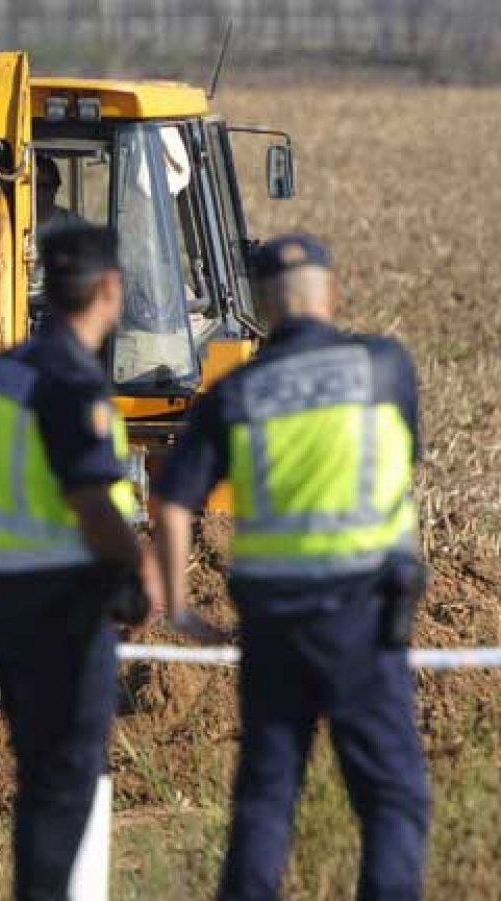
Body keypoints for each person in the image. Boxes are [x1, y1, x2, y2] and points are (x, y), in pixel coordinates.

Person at [154, 234, 429, 900]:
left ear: (261, 306)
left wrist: (182, 610)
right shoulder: (385, 368)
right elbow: (406, 458)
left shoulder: (235, 393)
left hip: (273, 621)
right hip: (365, 616)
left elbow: (172, 504)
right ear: (333, 293)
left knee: (267, 798)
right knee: (391, 798)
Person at [0, 225, 162, 899]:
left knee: (41, 776)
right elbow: (90, 501)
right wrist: (141, 571)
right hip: (62, 607)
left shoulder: (6, 372)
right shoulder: (72, 382)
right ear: (110, 288)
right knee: (66, 780)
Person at [36, 155, 87, 239]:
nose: (39, 192)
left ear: (55, 188)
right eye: (34, 185)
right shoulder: (14, 222)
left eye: (45, 186)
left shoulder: (74, 226)